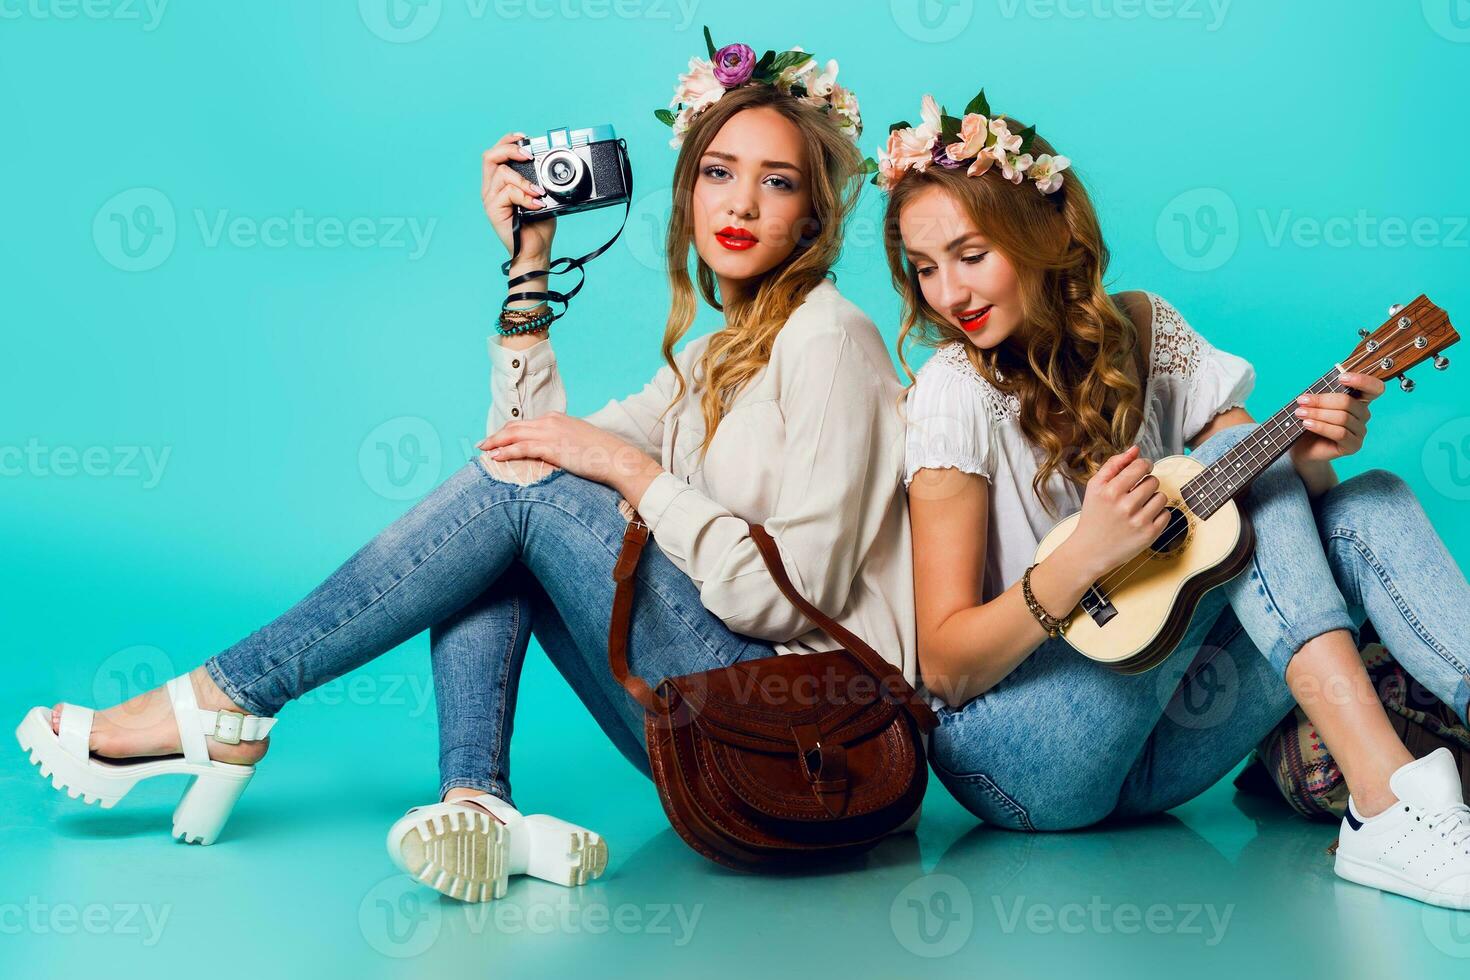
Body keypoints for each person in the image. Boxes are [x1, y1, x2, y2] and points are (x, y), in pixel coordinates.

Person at [16, 36, 919, 905]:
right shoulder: (719, 352)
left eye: (778, 182)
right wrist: (530, 267)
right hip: (710, 729)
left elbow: (784, 593)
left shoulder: (830, 340)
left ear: (814, 212)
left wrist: (625, 471)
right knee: (516, 507)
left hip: (803, 741)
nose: (743, 204)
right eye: (719, 172)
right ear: (687, 192)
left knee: (531, 501)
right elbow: (519, 461)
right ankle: (475, 802)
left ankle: (225, 703)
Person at [877, 89, 1470, 910]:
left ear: (1042, 232)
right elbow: (945, 666)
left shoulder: (1148, 329)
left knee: (1363, 497)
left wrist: (1316, 460)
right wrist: (1087, 554)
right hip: (1021, 756)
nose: (949, 294)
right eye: (925, 267)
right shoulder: (953, 390)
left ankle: (1396, 800)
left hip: (1159, 746)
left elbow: (1269, 514)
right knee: (1239, 455)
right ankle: (1384, 801)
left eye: (971, 255)